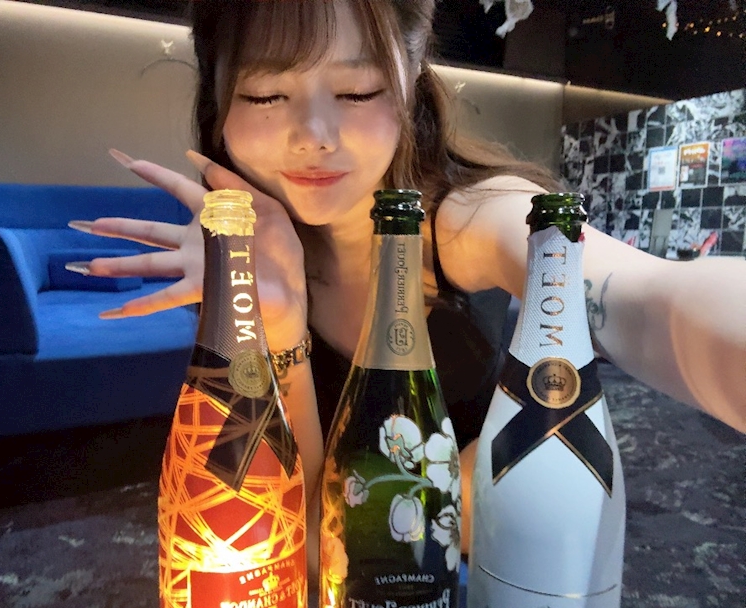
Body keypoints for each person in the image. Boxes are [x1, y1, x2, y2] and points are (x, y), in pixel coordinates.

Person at [67, 0, 746, 557]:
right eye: (265, 94)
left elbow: (649, 299)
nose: (315, 134)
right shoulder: (243, 254)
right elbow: (299, 535)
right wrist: (275, 316)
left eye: (357, 90)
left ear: (411, 71)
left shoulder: (470, 218)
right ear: (217, 97)